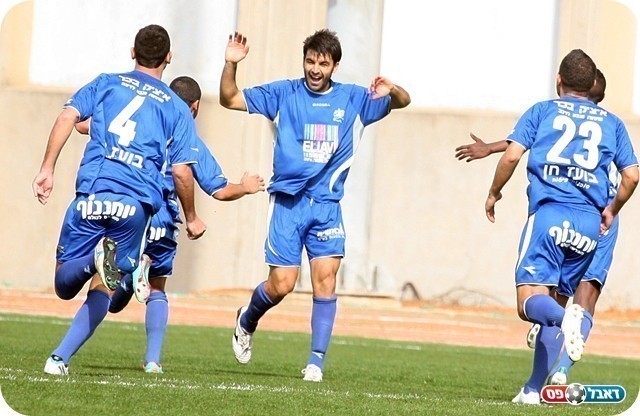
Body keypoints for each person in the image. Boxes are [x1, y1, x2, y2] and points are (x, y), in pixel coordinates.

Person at [219, 30, 411, 382]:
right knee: (282, 284)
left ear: (335, 66)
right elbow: (229, 99)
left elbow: (403, 102)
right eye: (310, 61)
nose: (315, 69)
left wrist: (392, 89)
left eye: (323, 63)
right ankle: (247, 319)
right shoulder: (284, 93)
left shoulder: (354, 99)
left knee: (326, 282)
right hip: (288, 204)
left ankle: (315, 363)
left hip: (326, 206)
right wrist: (231, 64)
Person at [33, 24, 206, 375]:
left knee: (64, 285)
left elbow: (68, 116)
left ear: (132, 52)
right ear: (169, 58)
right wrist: (191, 217)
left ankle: (91, 261)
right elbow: (182, 172)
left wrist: (47, 168)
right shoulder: (177, 107)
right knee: (105, 287)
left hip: (94, 192)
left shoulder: (107, 83)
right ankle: (58, 359)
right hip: (135, 207)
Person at [483, 50, 638, 404]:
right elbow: (632, 175)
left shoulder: (543, 110)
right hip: (590, 225)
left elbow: (512, 154)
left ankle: (565, 320)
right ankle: (533, 390)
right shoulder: (613, 124)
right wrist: (612, 210)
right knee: (564, 303)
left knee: (530, 303)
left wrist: (493, 193)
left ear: (559, 80)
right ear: (592, 84)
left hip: (550, 214)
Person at [456, 70, 618, 386]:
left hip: (565, 212)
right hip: (601, 220)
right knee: (582, 301)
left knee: (548, 301)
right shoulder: (610, 126)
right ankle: (557, 375)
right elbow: (630, 174)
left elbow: (530, 142)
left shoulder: (556, 114)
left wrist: (493, 163)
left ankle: (542, 374)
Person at [104, 76, 265, 374]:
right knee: (157, 288)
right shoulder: (190, 141)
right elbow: (218, 189)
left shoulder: (143, 125)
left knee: (110, 298)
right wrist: (244, 187)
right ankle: (153, 361)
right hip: (163, 217)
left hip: (127, 209)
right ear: (195, 107)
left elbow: (95, 128)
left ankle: (130, 275)